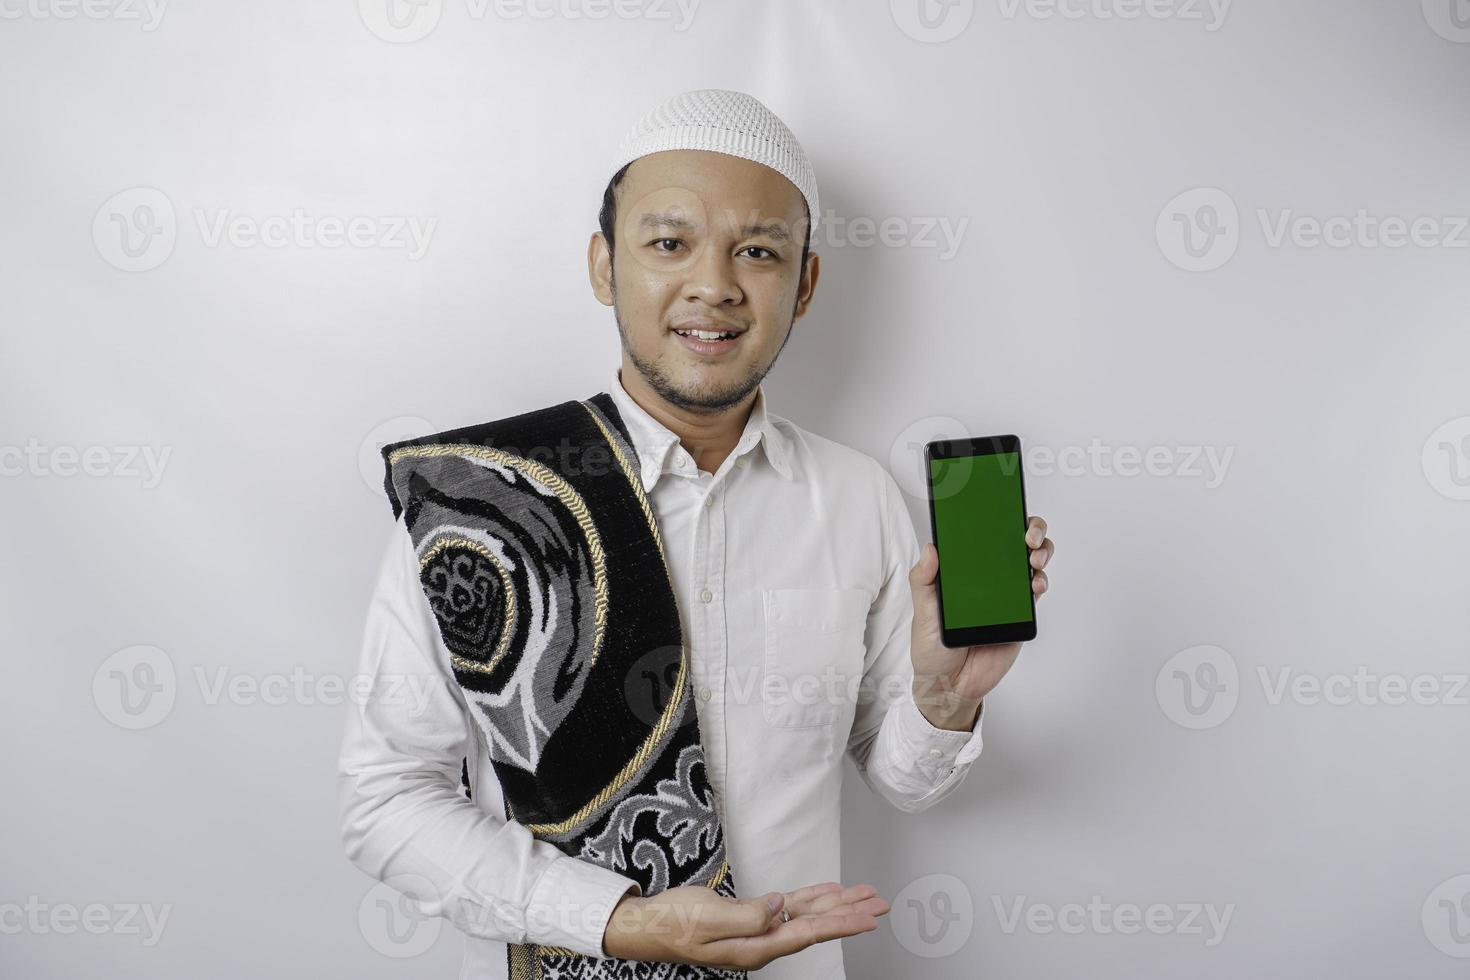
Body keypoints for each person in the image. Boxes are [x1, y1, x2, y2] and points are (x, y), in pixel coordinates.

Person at [338, 88, 1054, 980]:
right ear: (604, 265)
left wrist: (947, 698)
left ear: (806, 283)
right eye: (668, 243)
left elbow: (903, 779)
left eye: (758, 251)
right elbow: (387, 800)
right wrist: (618, 920)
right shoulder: (477, 501)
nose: (714, 284)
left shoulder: (857, 496)